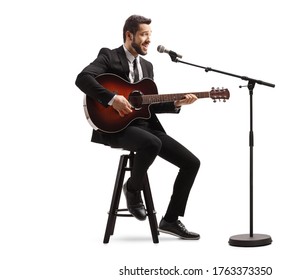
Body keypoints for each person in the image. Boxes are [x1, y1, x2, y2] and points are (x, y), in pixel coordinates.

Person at [75, 15, 200, 240]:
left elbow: (147, 106)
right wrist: (113, 99)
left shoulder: (148, 66)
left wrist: (176, 103)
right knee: (152, 143)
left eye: (150, 36)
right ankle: (132, 190)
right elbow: (82, 78)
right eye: (144, 35)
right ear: (129, 35)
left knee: (191, 163)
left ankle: (170, 220)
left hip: (145, 127)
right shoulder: (109, 56)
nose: (148, 40)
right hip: (115, 127)